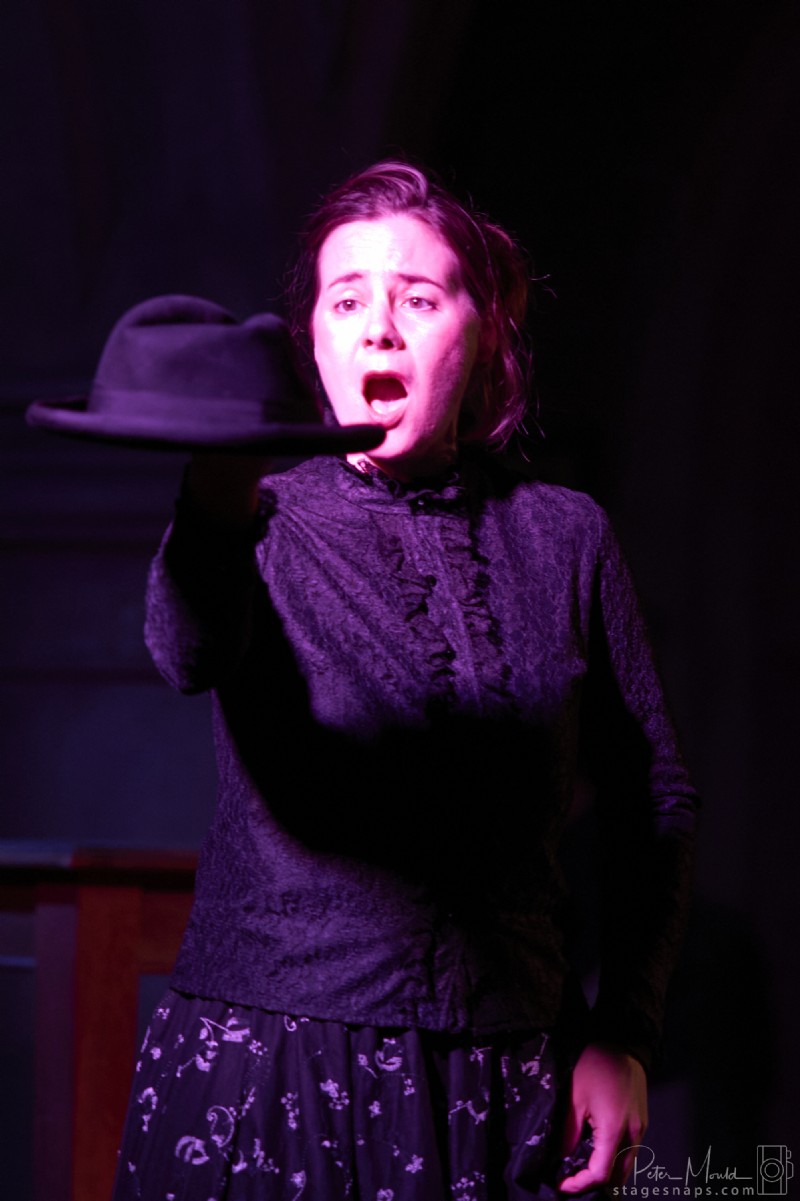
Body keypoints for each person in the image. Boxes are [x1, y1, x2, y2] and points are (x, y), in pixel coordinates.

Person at [112, 160, 698, 1200]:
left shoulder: (565, 537)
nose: (378, 328)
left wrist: (625, 1033)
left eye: (418, 299)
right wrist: (215, 487)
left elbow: (651, 796)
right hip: (273, 1069)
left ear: (486, 336)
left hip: (512, 1072)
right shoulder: (259, 514)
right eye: (347, 301)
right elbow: (186, 649)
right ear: (315, 340)